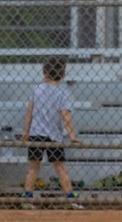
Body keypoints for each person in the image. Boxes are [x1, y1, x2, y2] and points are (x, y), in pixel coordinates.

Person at [19, 56, 83, 210]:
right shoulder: (63, 93)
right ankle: (70, 199)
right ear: (64, 75)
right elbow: (65, 116)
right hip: (54, 136)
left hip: (36, 134)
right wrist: (72, 136)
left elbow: (29, 113)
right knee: (60, 167)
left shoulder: (37, 89)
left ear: (44, 73)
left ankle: (27, 198)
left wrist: (25, 133)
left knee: (34, 167)